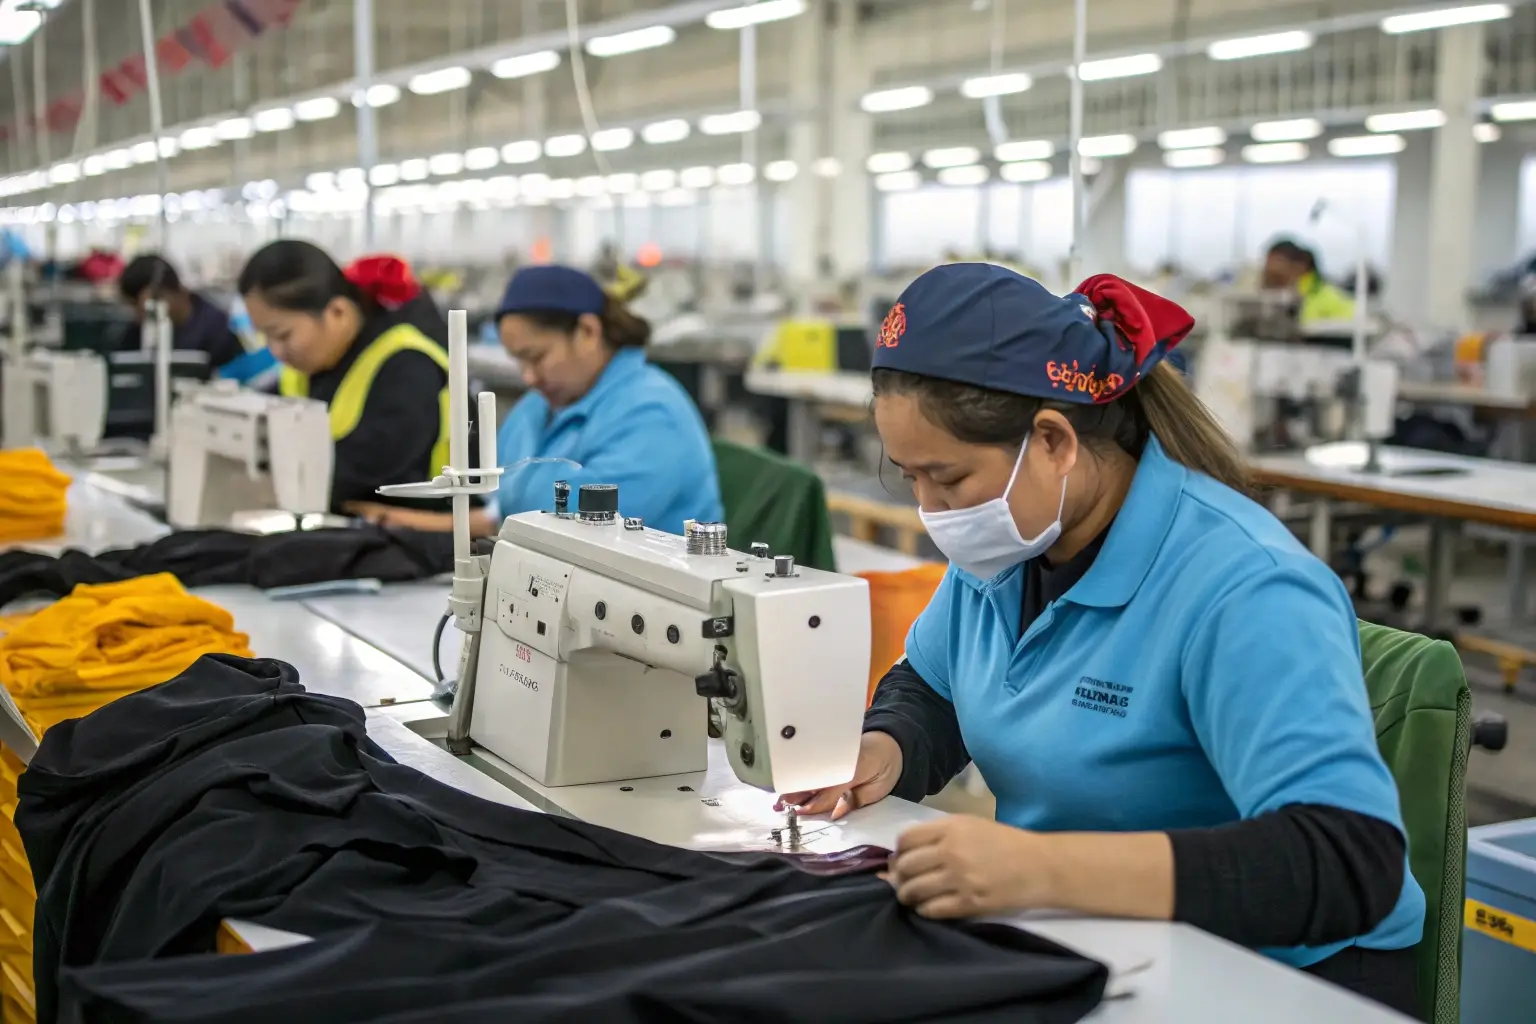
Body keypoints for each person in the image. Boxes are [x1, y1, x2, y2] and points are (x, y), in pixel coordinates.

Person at [781, 264, 1426, 1018]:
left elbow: (1349, 859)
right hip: (1089, 935)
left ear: (1054, 441)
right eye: (909, 477)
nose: (932, 509)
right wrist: (883, 748)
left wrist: (1042, 869)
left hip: (1276, 979)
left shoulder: (1245, 588)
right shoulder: (1010, 548)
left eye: (948, 479)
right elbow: (936, 687)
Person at [355, 264, 722, 537]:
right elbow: (502, 507)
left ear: (588, 331)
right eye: (519, 361)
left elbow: (583, 528)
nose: (528, 377)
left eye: (537, 357)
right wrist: (401, 521)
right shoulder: (538, 408)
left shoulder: (650, 414)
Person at [237, 241, 459, 515]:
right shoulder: (311, 365)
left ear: (337, 312)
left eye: (282, 335)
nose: (275, 351)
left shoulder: (408, 367)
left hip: (416, 532)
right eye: (265, 336)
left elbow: (357, 474)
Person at [118, 254, 246, 370]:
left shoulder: (217, 329)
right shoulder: (136, 333)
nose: (137, 317)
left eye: (141, 308)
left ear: (163, 296)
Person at [1261, 239, 1356, 326]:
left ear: (1300, 266)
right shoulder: (1272, 302)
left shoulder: (1331, 301)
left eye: (1277, 276)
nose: (1269, 280)